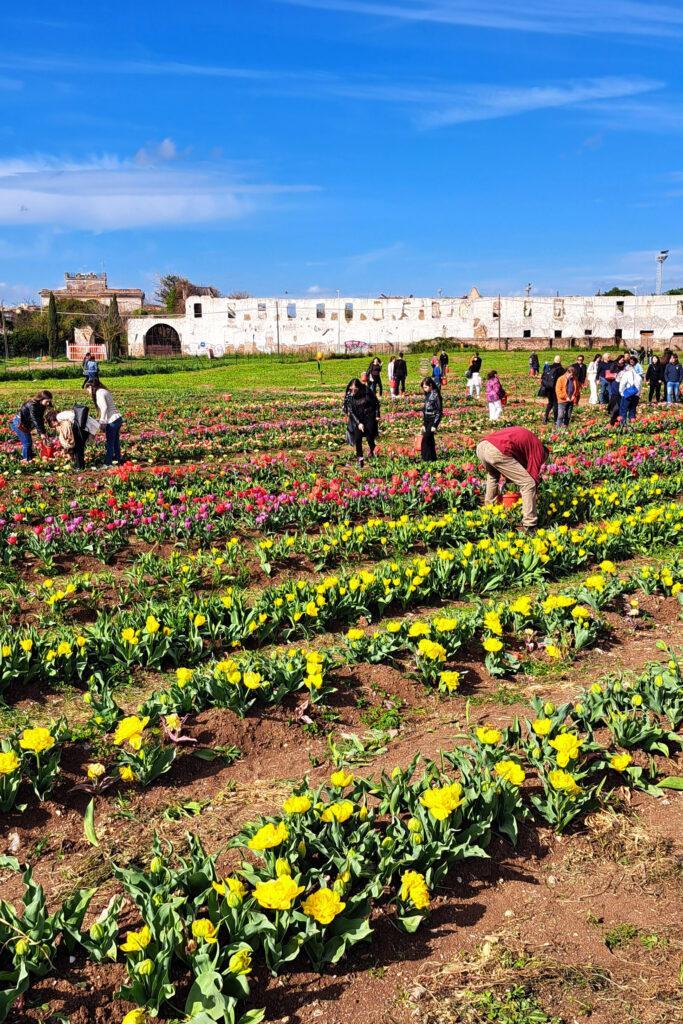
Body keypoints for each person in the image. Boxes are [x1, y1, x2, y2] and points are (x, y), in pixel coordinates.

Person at [476, 426, 549, 533]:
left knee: (493, 476)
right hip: (497, 450)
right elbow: (532, 476)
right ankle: (530, 524)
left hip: (482, 446)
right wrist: (535, 490)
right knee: (528, 483)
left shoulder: (529, 442)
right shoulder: (539, 450)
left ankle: (489, 511)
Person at [50, 405, 100, 470]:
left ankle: (79, 466)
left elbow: (72, 416)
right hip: (84, 428)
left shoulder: (59, 416)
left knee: (78, 448)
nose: (55, 426)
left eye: (52, 424)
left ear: (52, 420)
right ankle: (78, 465)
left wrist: (74, 427)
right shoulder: (61, 417)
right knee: (79, 447)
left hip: (81, 429)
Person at [344, 378, 379, 468]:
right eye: (351, 389)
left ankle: (373, 451)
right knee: (358, 439)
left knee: (369, 438)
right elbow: (351, 411)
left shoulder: (367, 391)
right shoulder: (350, 395)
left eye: (355, 389)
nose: (353, 391)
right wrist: (358, 423)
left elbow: (376, 402)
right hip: (357, 419)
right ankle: (360, 460)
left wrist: (377, 415)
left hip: (369, 417)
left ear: (359, 387)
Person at [10, 390, 53, 461]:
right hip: (19, 423)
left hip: (26, 424)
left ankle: (29, 459)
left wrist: (43, 432)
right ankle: (26, 461)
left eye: (49, 401)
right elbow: (35, 419)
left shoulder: (42, 405)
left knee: (29, 443)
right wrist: (41, 433)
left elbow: (40, 419)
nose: (48, 403)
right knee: (27, 443)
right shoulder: (32, 405)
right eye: (47, 401)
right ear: (41, 399)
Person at [88, 379, 123, 465]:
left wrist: (102, 421)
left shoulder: (99, 393)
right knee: (115, 442)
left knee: (110, 443)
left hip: (112, 420)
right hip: (117, 418)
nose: (88, 392)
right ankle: (118, 460)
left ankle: (108, 464)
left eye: (88, 389)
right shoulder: (104, 390)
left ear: (91, 387)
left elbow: (104, 407)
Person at [420, 377, 443, 461]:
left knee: (425, 440)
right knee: (429, 440)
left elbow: (439, 411)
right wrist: (423, 424)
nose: (424, 389)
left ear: (430, 385)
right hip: (427, 420)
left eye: (425, 387)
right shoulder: (427, 394)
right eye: (423, 388)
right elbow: (425, 411)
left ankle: (426, 459)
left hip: (433, 419)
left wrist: (435, 425)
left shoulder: (436, 395)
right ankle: (432, 459)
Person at [617, 355, 643, 426]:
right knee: (632, 410)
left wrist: (622, 393)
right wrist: (638, 394)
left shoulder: (626, 374)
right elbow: (640, 387)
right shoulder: (638, 376)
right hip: (636, 395)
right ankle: (633, 425)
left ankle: (623, 424)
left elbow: (622, 384)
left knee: (623, 410)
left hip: (628, 395)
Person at [539, 355, 564, 424]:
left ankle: (545, 417)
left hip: (548, 388)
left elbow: (543, 377)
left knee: (550, 403)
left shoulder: (549, 367)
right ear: (560, 361)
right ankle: (555, 420)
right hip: (556, 389)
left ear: (554, 360)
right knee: (556, 403)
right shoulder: (561, 369)